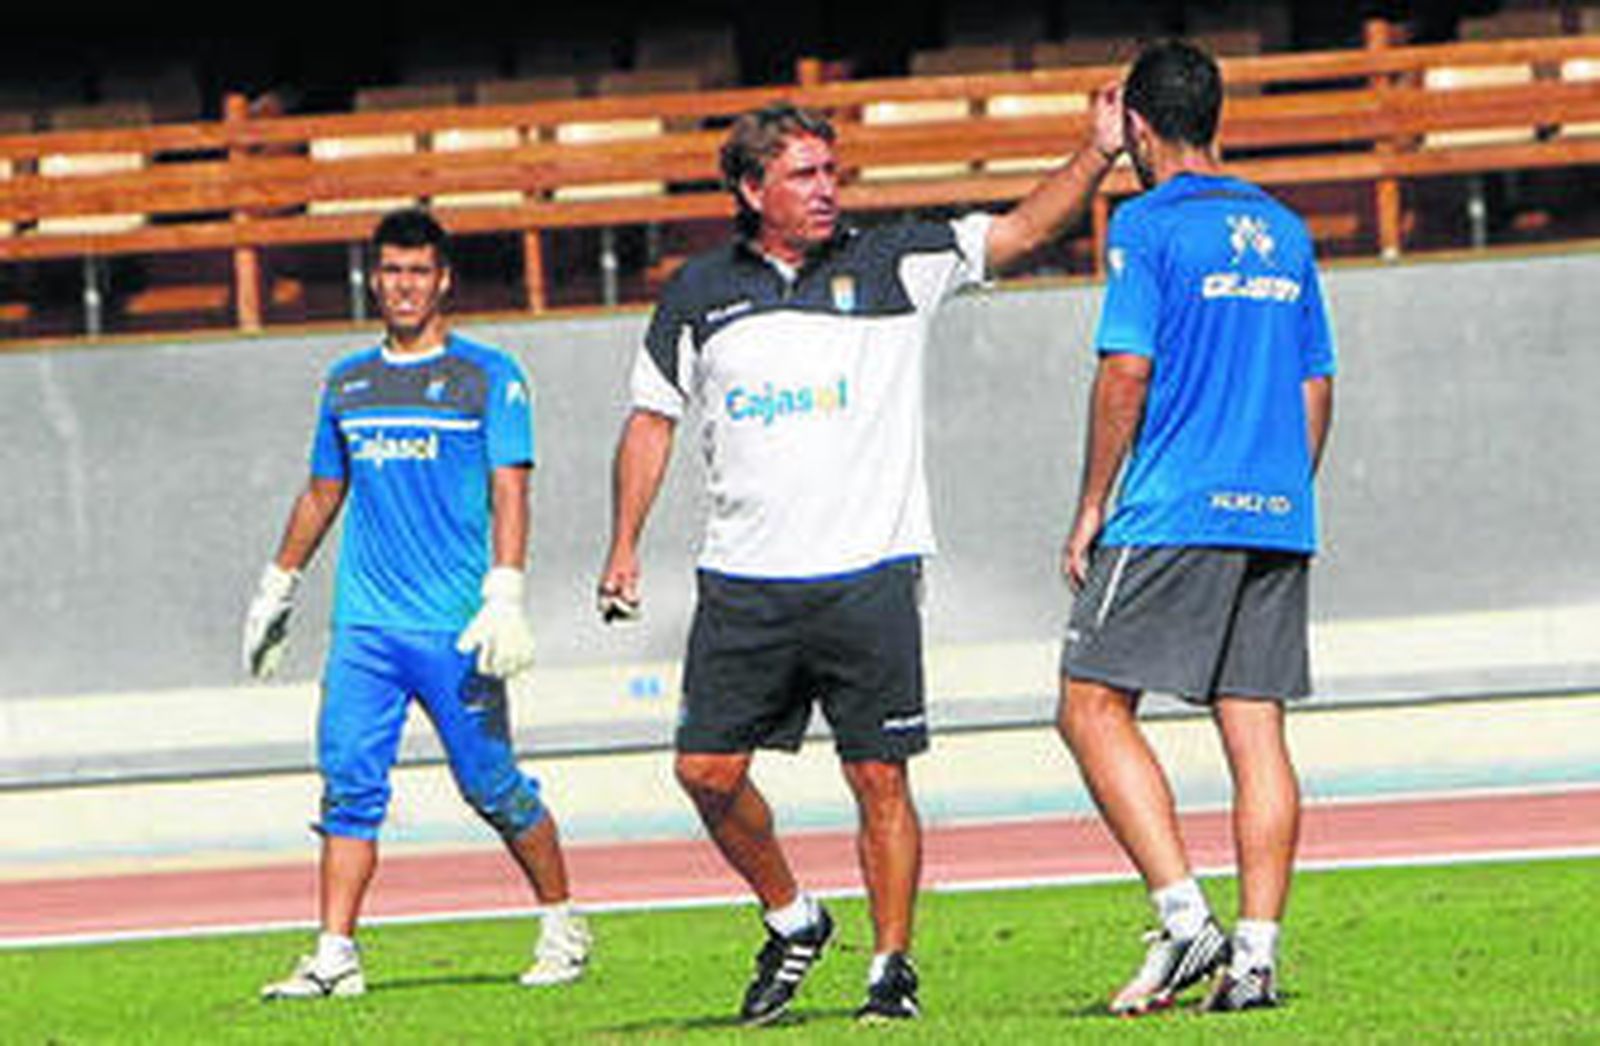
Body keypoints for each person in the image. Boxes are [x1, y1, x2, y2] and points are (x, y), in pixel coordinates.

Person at [596, 96, 1122, 1024]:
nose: (825, 190)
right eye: (802, 175)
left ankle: (890, 969)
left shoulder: (896, 262)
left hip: (869, 573)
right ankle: (793, 917)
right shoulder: (697, 292)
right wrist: (624, 545)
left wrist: (1097, 152)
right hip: (745, 581)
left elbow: (1022, 231)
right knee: (705, 771)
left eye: (831, 173)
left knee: (878, 776)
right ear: (750, 188)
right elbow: (651, 420)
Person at [243, 208, 590, 999]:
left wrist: (506, 589)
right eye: (392, 271)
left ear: (444, 280)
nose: (404, 286)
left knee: (492, 786)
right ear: (374, 279)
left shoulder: (487, 376)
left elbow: (511, 488)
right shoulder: (348, 382)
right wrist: (278, 583)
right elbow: (323, 491)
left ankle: (562, 922)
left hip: (454, 626)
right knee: (348, 785)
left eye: (418, 272)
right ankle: (335, 954)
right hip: (365, 627)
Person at [1056, 40, 1336, 1015]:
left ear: (1136, 127)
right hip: (1276, 508)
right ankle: (1253, 957)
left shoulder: (1146, 224)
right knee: (1255, 727)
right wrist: (1281, 488)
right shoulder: (1284, 228)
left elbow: (1124, 369)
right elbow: (1315, 379)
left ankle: (1184, 922)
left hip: (1173, 505)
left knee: (1089, 705)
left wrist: (1092, 503)